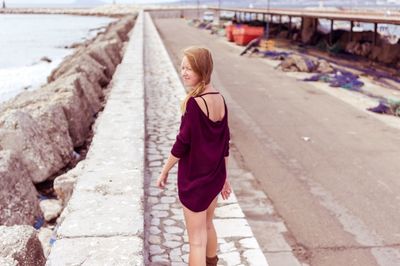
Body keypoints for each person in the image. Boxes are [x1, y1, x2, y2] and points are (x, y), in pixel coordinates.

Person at [157, 46, 231, 266]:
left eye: (190, 68)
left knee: (196, 241)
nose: (184, 72)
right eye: (182, 67)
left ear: (203, 70)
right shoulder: (220, 100)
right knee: (208, 225)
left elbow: (182, 144)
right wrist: (224, 177)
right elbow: (224, 144)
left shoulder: (194, 103)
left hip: (195, 181)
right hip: (214, 177)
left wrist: (164, 170)